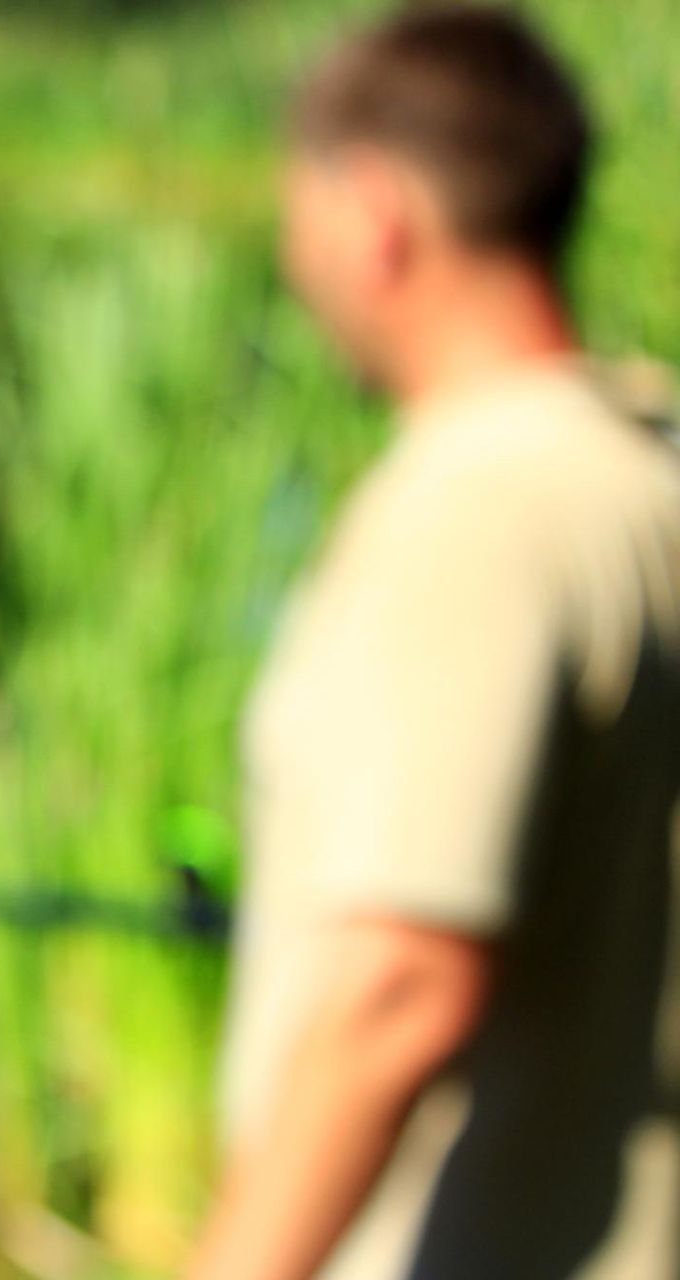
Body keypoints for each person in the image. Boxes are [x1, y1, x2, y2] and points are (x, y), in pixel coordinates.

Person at [188, 7, 680, 1279]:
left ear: (372, 212)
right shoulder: (647, 467)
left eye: (299, 209)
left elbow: (402, 983)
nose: (296, 258)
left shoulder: (474, 509)